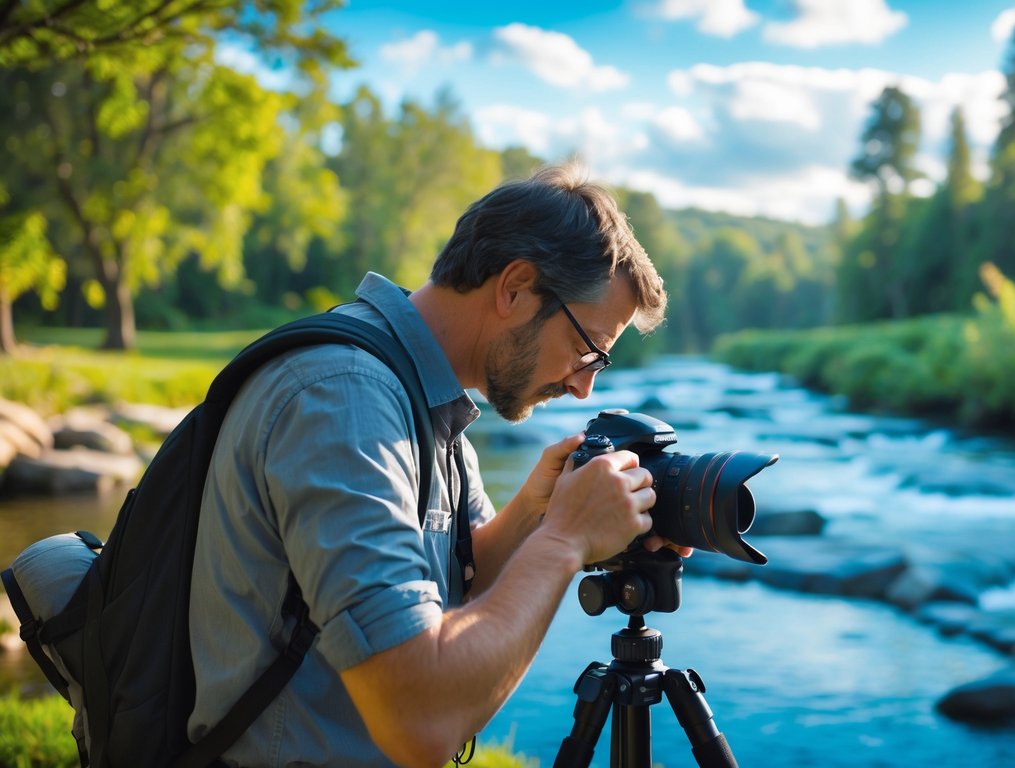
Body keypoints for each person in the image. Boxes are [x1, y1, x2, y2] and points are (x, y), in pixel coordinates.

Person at [188, 164, 672, 767]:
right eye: (586, 349)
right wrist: (564, 539)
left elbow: (455, 587)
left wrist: (535, 513)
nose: (582, 387)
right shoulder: (346, 398)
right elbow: (421, 718)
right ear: (515, 287)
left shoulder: (421, 397)